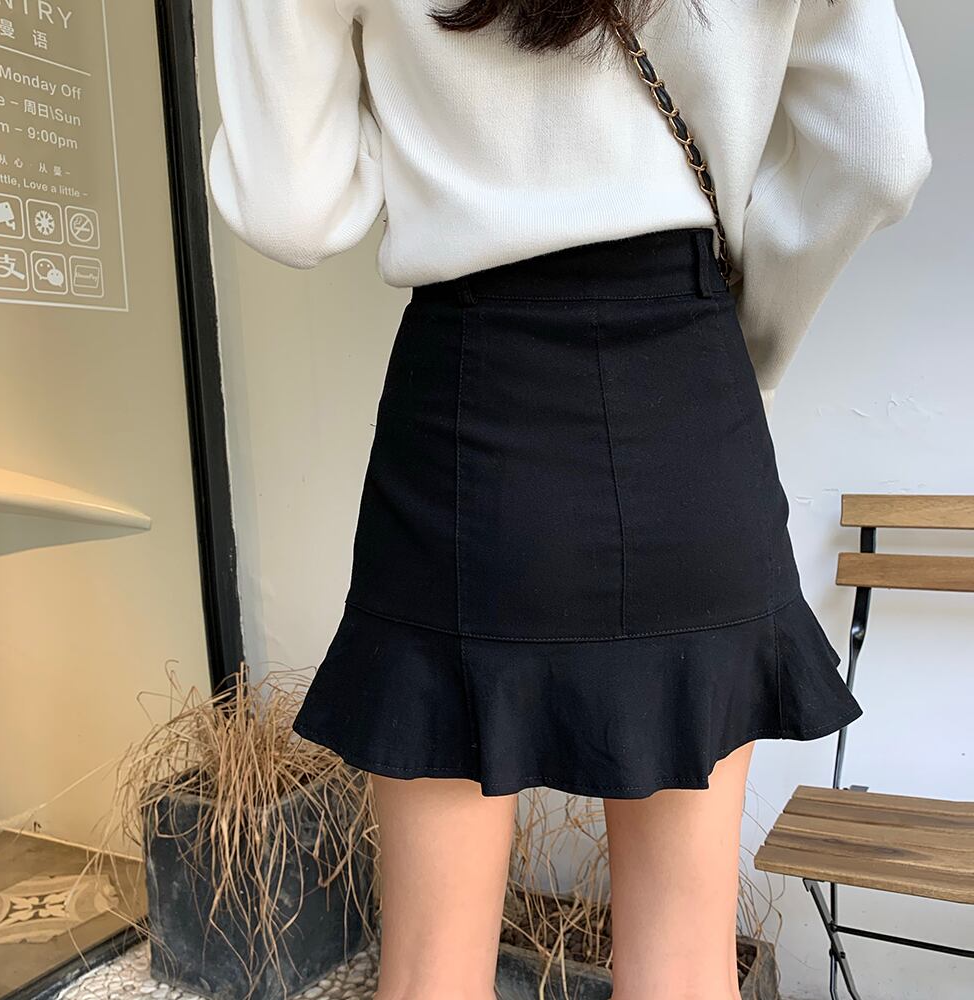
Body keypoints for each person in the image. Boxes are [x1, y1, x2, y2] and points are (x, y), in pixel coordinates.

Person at [207, 1, 931, 997]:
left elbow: (290, 206)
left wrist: (427, 147)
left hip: (470, 401)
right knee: (686, 968)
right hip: (689, 396)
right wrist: (746, 341)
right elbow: (879, 151)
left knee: (429, 973)